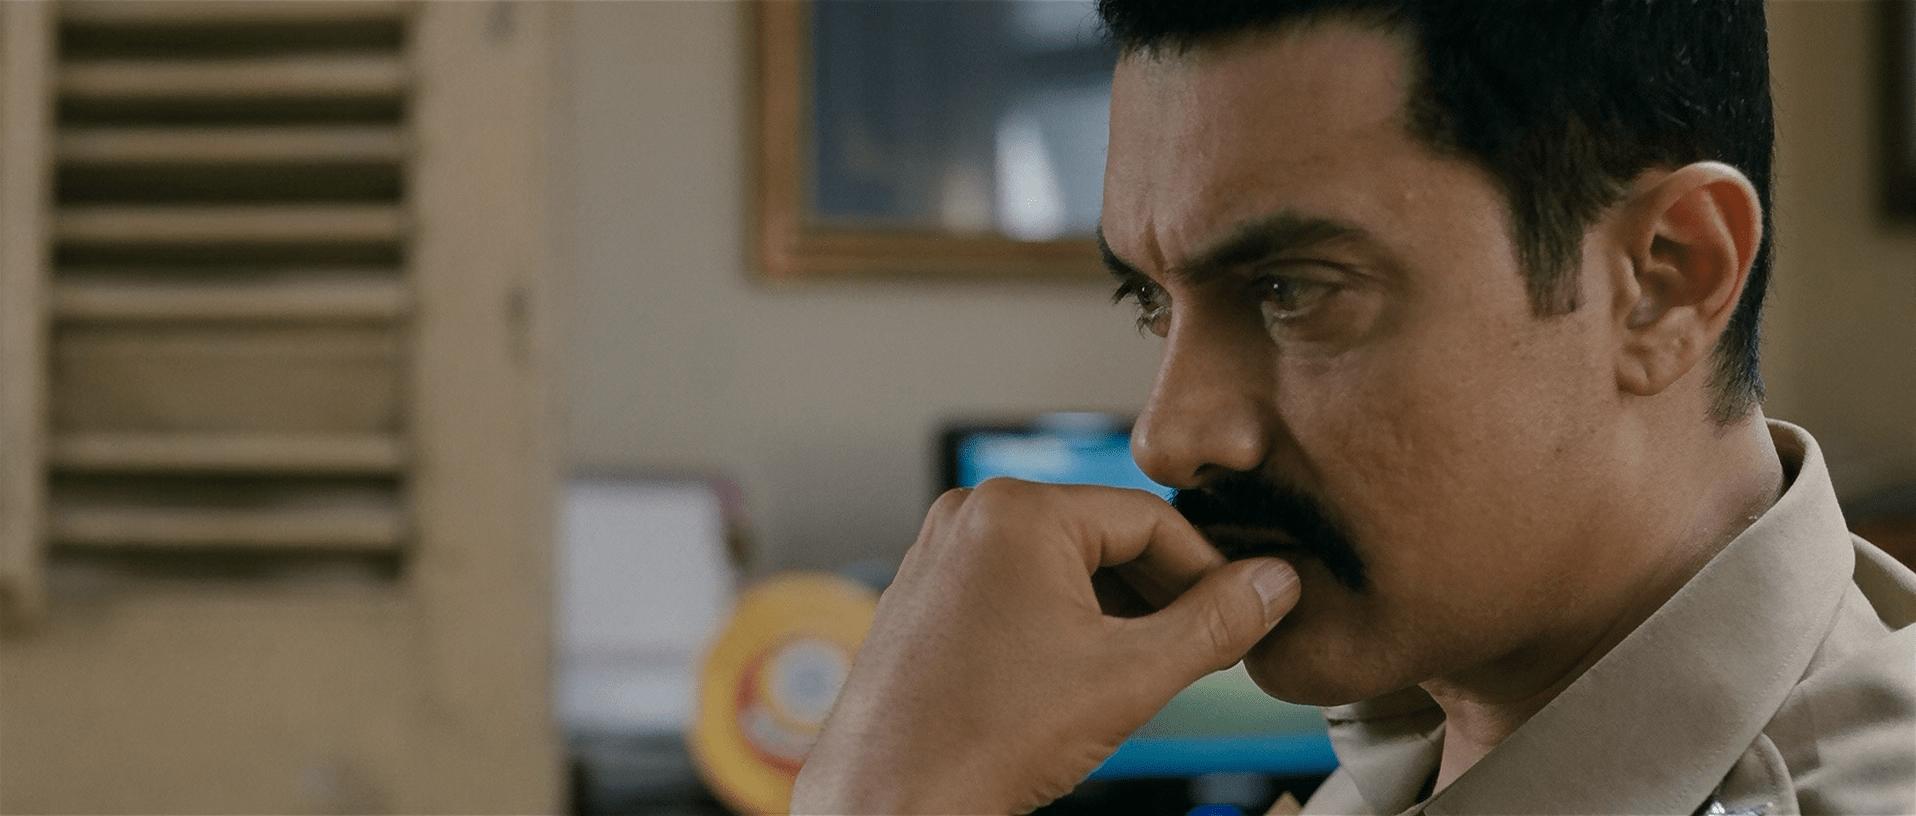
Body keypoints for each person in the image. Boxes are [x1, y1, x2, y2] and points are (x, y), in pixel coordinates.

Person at [792, 0, 1916, 813]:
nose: (1167, 437)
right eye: (1151, 302)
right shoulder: (1419, 733)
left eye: (1292, 290)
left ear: (1666, 280)